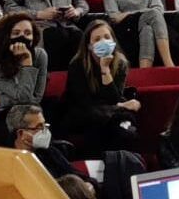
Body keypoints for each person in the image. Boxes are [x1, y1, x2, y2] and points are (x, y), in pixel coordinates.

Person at [61, 19, 142, 155]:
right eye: (97, 39)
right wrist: (121, 106)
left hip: (109, 111)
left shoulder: (120, 62)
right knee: (98, 120)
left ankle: (123, 164)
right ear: (89, 46)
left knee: (125, 128)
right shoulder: (77, 64)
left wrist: (105, 69)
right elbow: (84, 102)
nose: (103, 42)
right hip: (82, 112)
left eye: (106, 37)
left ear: (113, 41)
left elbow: (113, 98)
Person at [0, 15, 48, 137]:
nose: (22, 37)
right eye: (16, 33)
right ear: (6, 36)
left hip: (25, 111)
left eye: (27, 33)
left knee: (41, 129)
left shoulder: (40, 55)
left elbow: (36, 97)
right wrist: (27, 63)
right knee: (20, 133)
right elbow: (24, 98)